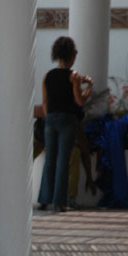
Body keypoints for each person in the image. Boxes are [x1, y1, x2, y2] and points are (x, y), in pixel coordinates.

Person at [38, 36, 93, 212]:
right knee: (63, 160)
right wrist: (89, 86)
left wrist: (49, 118)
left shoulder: (48, 76)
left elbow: (45, 102)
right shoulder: (74, 75)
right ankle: (59, 202)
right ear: (71, 55)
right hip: (67, 120)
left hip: (50, 120)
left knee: (50, 160)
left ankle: (44, 199)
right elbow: (80, 101)